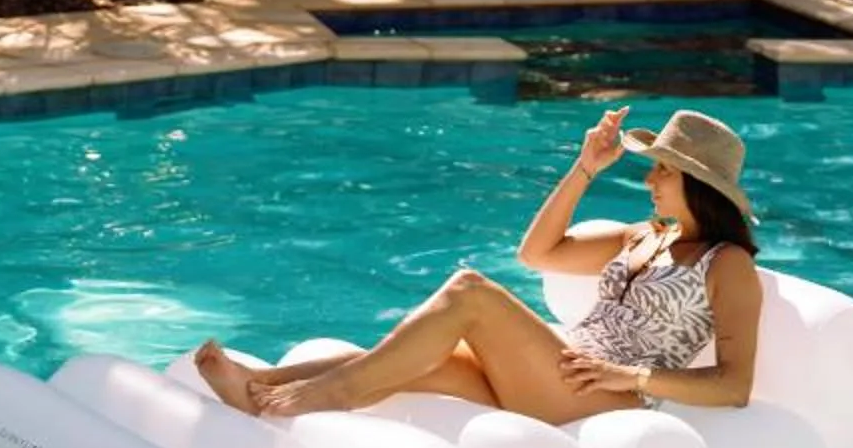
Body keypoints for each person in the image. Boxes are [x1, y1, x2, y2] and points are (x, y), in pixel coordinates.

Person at [191, 107, 763, 423]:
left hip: (608, 400)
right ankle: (260, 386)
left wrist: (630, 377)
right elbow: (538, 254)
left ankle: (327, 394)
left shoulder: (728, 264)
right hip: (563, 371)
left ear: (696, 182)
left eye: (661, 169)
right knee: (412, 359)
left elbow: (734, 386)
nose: (649, 178)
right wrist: (585, 167)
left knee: (469, 290)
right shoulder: (646, 235)